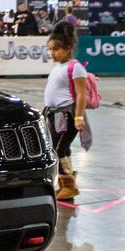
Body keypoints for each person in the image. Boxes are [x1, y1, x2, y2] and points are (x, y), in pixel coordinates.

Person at [44, 21, 90, 201]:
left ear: (68, 48)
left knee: (58, 149)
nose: (52, 53)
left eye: (56, 49)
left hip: (68, 115)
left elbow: (81, 95)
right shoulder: (58, 67)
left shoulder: (76, 67)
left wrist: (79, 117)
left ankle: (69, 186)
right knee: (62, 149)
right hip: (55, 115)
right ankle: (65, 184)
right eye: (50, 49)